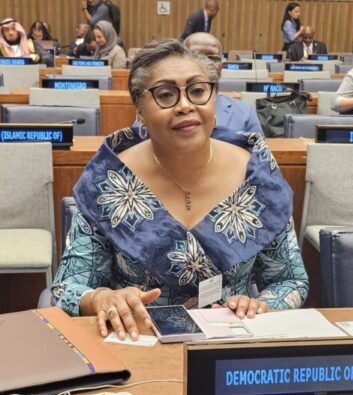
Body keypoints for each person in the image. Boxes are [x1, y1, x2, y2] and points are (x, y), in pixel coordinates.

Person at [51, 39, 309, 340]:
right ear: (140, 109)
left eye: (197, 91)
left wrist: (260, 306)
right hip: (136, 340)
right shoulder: (109, 178)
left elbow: (290, 281)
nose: (185, 105)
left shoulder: (257, 173)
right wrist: (101, 298)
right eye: (165, 95)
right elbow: (65, 290)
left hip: (229, 341)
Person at [134, 33, 264, 140]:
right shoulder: (153, 108)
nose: (205, 63)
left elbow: (258, 156)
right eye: (196, 56)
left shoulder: (245, 112)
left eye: (212, 58)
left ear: (221, 64)